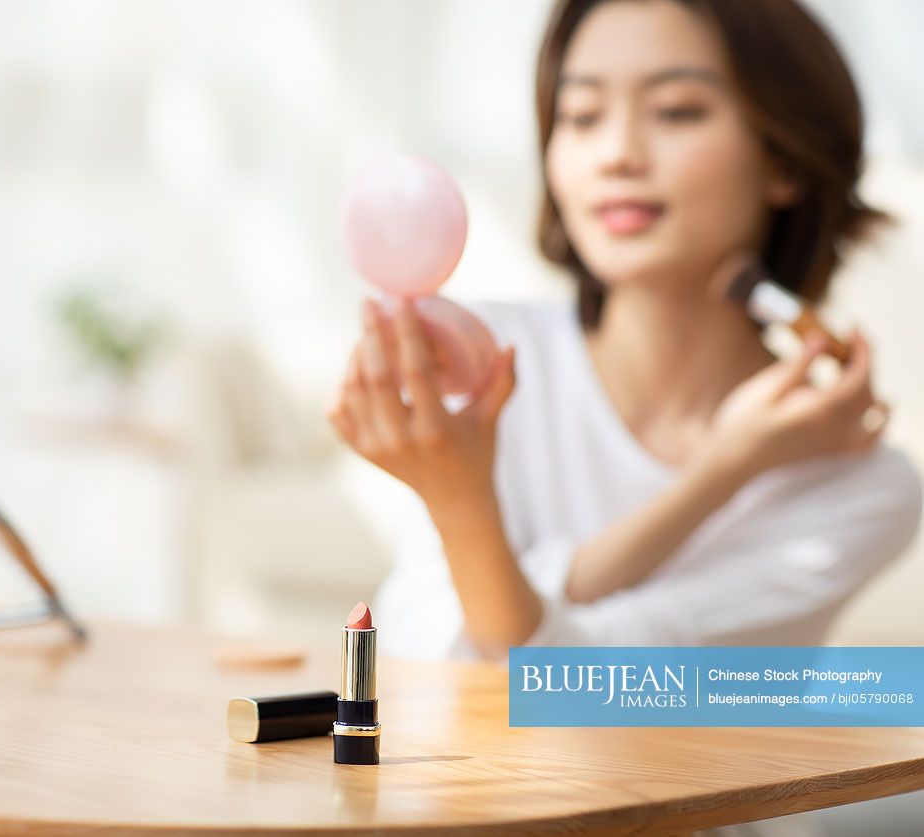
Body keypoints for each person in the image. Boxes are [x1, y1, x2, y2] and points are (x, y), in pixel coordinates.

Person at [326, 3, 922, 833]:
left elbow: (569, 695)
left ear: (783, 159)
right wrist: (719, 470)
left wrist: (725, 468)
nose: (615, 154)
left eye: (676, 110)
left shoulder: (861, 487)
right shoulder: (482, 363)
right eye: (579, 115)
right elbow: (428, 671)